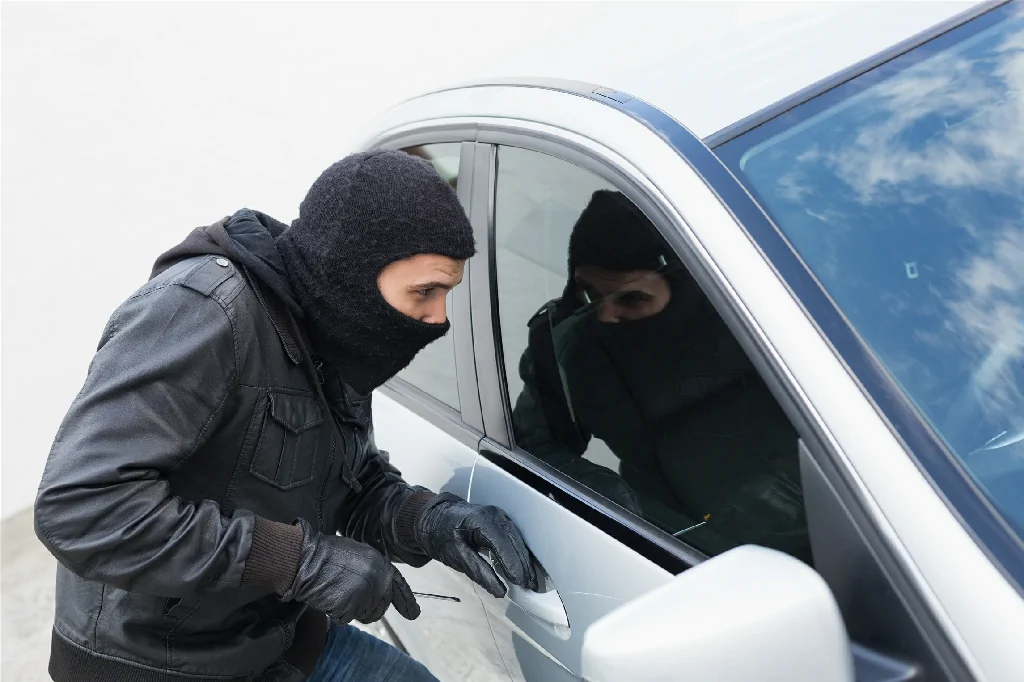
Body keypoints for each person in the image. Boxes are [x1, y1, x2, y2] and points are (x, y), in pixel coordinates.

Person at [33, 150, 538, 682]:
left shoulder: (337, 329)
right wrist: (301, 561)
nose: (439, 318)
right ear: (353, 273)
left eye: (447, 294)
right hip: (155, 663)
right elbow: (79, 507)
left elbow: (348, 479)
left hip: (279, 642)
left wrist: (429, 521)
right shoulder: (202, 312)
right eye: (424, 292)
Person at [510, 190, 811, 562]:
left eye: (631, 299)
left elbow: (833, 435)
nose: (606, 316)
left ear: (681, 286)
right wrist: (601, 492)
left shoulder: (752, 327)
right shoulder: (570, 346)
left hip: (799, 537)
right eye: (588, 295)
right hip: (657, 540)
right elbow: (533, 442)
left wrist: (761, 507)